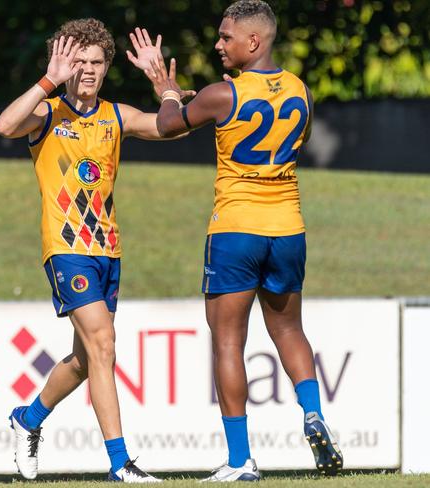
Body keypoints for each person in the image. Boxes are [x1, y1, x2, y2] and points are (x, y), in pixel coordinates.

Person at [140, 0, 343, 482]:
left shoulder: (221, 94)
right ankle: (312, 412)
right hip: (289, 227)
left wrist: (166, 91)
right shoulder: (300, 90)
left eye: (226, 36)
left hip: (235, 228)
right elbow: (299, 140)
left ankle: (240, 461)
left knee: (228, 341)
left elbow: (168, 125)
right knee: (290, 331)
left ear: (254, 41)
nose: (218, 43)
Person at [0, 19, 192, 483]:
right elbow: (5, 125)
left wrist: (165, 87)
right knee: (104, 344)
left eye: (95, 62)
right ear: (64, 65)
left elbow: (173, 129)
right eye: (77, 61)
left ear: (106, 68)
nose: (86, 70)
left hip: (108, 249)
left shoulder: (115, 116)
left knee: (86, 361)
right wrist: (48, 79)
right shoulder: (46, 114)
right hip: (66, 248)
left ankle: (28, 419)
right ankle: (120, 463)